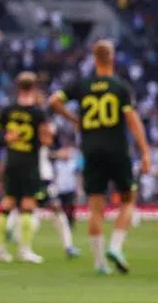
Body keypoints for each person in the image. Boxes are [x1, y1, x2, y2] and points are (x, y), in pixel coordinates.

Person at [49, 40, 152, 274]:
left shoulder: (82, 85)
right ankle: (115, 247)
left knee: (96, 207)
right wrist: (145, 151)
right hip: (116, 148)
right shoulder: (120, 87)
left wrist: (75, 119)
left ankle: (99, 264)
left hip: (90, 149)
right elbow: (133, 121)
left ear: (94, 59)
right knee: (128, 199)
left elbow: (53, 101)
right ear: (112, 58)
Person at [0, 72, 54, 264]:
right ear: (34, 88)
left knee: (7, 203)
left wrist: (7, 138)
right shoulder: (38, 113)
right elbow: (46, 140)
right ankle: (24, 250)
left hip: (11, 161)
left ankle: (0, 249)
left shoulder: (8, 110)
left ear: (18, 87)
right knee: (27, 206)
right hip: (29, 163)